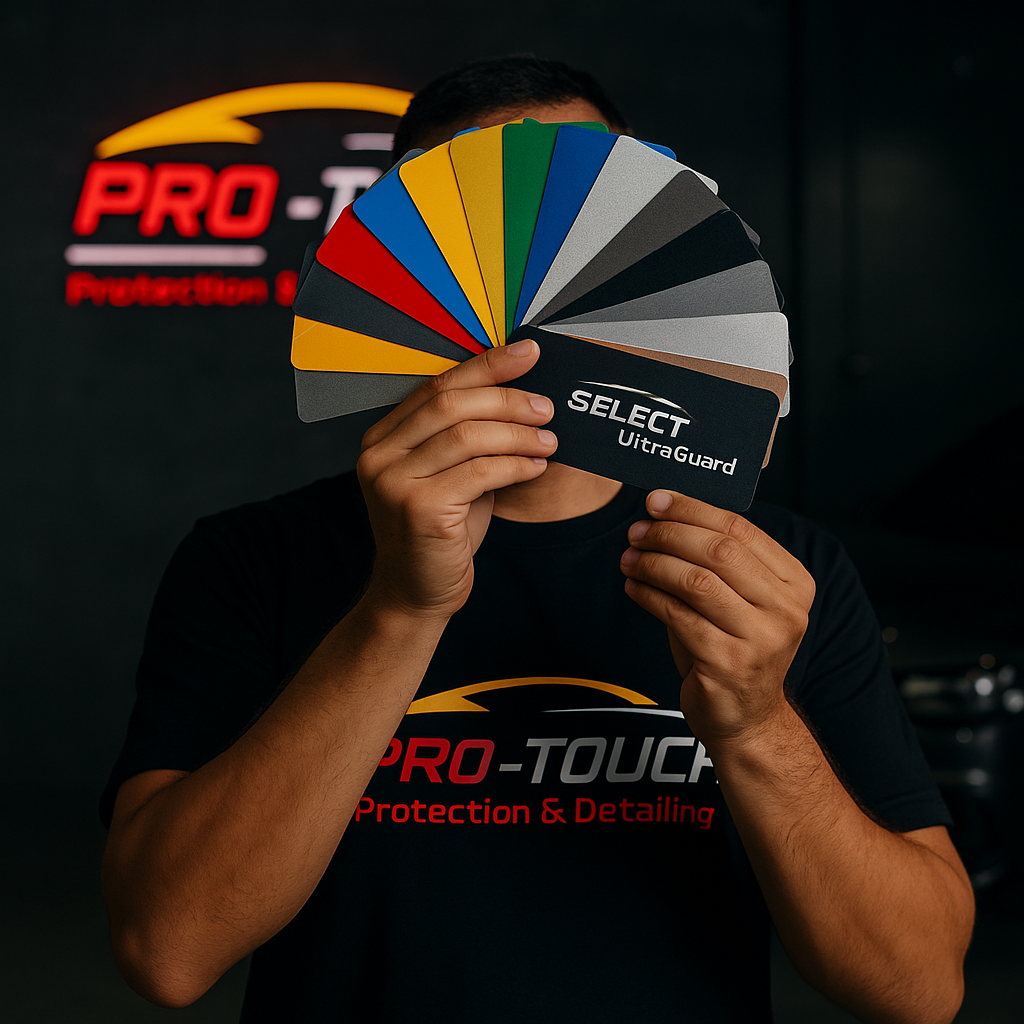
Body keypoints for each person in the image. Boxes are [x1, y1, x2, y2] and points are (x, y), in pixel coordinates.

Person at [100, 56, 974, 1023]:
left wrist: (757, 723)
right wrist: (401, 610)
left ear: (654, 246)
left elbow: (918, 988)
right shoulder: (252, 560)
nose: (549, 267)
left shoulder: (775, 575)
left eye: (591, 214)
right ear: (413, 261)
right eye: (485, 216)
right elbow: (168, 951)